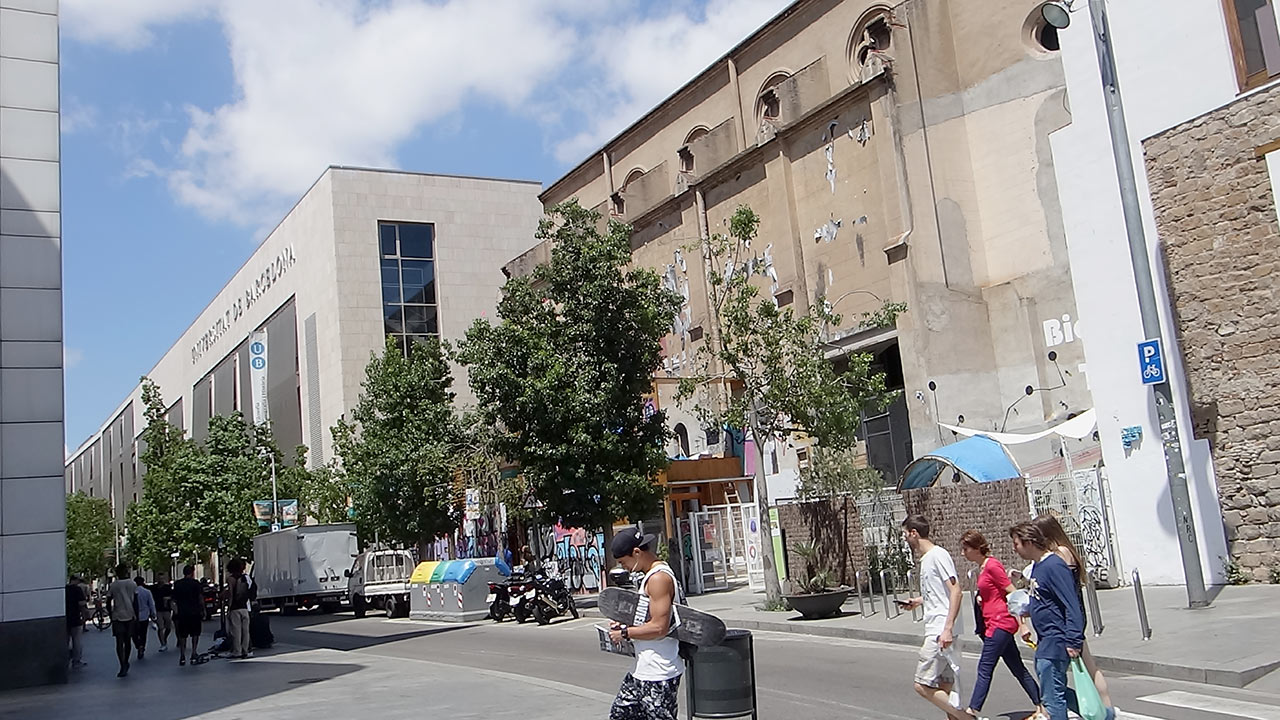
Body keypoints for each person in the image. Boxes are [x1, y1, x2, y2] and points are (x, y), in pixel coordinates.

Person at [1009, 522, 1114, 720]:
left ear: (1029, 541)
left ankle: (1104, 715)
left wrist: (1074, 639)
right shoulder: (1039, 567)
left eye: (1017, 543)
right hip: (1046, 640)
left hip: (1056, 639)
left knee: (1052, 698)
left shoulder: (1054, 565)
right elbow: (1047, 601)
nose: (1015, 548)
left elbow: (1070, 603)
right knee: (1053, 690)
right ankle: (1102, 715)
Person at [958, 531, 1040, 718]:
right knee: (1017, 667)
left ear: (977, 548)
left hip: (1000, 624)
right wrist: (982, 598)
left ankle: (972, 711)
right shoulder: (984, 568)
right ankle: (1041, 705)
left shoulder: (993, 566)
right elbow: (995, 594)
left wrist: (1023, 624)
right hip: (993, 623)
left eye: (966, 549)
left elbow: (1012, 593)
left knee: (985, 667)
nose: (963, 553)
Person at [606, 528, 683, 720]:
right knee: (619, 715)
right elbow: (647, 617)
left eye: (624, 562)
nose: (624, 567)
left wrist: (625, 633)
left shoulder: (659, 578)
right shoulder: (649, 576)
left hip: (660, 671)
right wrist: (624, 623)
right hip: (643, 669)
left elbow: (659, 627)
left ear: (637, 553)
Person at [900, 515, 968, 720]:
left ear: (914, 533)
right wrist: (918, 601)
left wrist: (947, 629)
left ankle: (968, 718)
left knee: (922, 685)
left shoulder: (938, 555)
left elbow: (956, 590)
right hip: (941, 628)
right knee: (945, 687)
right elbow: (939, 593)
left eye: (905, 534)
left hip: (940, 631)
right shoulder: (928, 559)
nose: (905, 539)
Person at [107, 564, 138, 677]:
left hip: (117, 616)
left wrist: (110, 614)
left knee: (119, 642)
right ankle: (126, 661)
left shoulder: (113, 585)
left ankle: (122, 664)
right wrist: (137, 616)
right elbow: (136, 601)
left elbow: (108, 601)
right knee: (128, 641)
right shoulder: (132, 584)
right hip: (130, 615)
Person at [172, 564, 205, 666]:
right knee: (195, 633)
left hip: (182, 613)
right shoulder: (196, 584)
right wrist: (203, 610)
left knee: (182, 635)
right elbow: (200, 598)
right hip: (194, 612)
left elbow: (173, 600)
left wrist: (176, 611)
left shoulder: (178, 584)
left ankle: (182, 655)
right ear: (192, 573)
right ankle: (193, 652)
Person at [227, 558, 252, 659]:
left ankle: (237, 651)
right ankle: (245, 650)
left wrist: (228, 608)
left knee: (236, 631)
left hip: (235, 608)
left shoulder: (231, 579)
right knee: (246, 631)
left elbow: (231, 595)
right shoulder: (245, 578)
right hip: (244, 607)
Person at [65, 576, 88, 669]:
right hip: (75, 618)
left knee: (65, 641)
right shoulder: (77, 589)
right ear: (75, 580)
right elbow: (82, 604)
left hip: (65, 619)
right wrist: (84, 616)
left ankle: (65, 660)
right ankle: (76, 661)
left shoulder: (64, 589)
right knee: (77, 641)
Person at [133, 576, 157, 659]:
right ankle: (142, 646)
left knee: (135, 633)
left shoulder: (132, 592)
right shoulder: (147, 592)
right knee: (143, 633)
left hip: (134, 616)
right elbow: (151, 604)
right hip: (144, 616)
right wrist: (153, 614)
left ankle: (138, 645)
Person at [152, 575, 174, 653]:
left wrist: (168, 598)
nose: (160, 580)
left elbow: (173, 596)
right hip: (158, 610)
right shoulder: (154, 588)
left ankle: (165, 638)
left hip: (166, 610)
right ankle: (163, 644)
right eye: (159, 578)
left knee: (168, 627)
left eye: (162, 578)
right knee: (160, 627)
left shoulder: (167, 588)